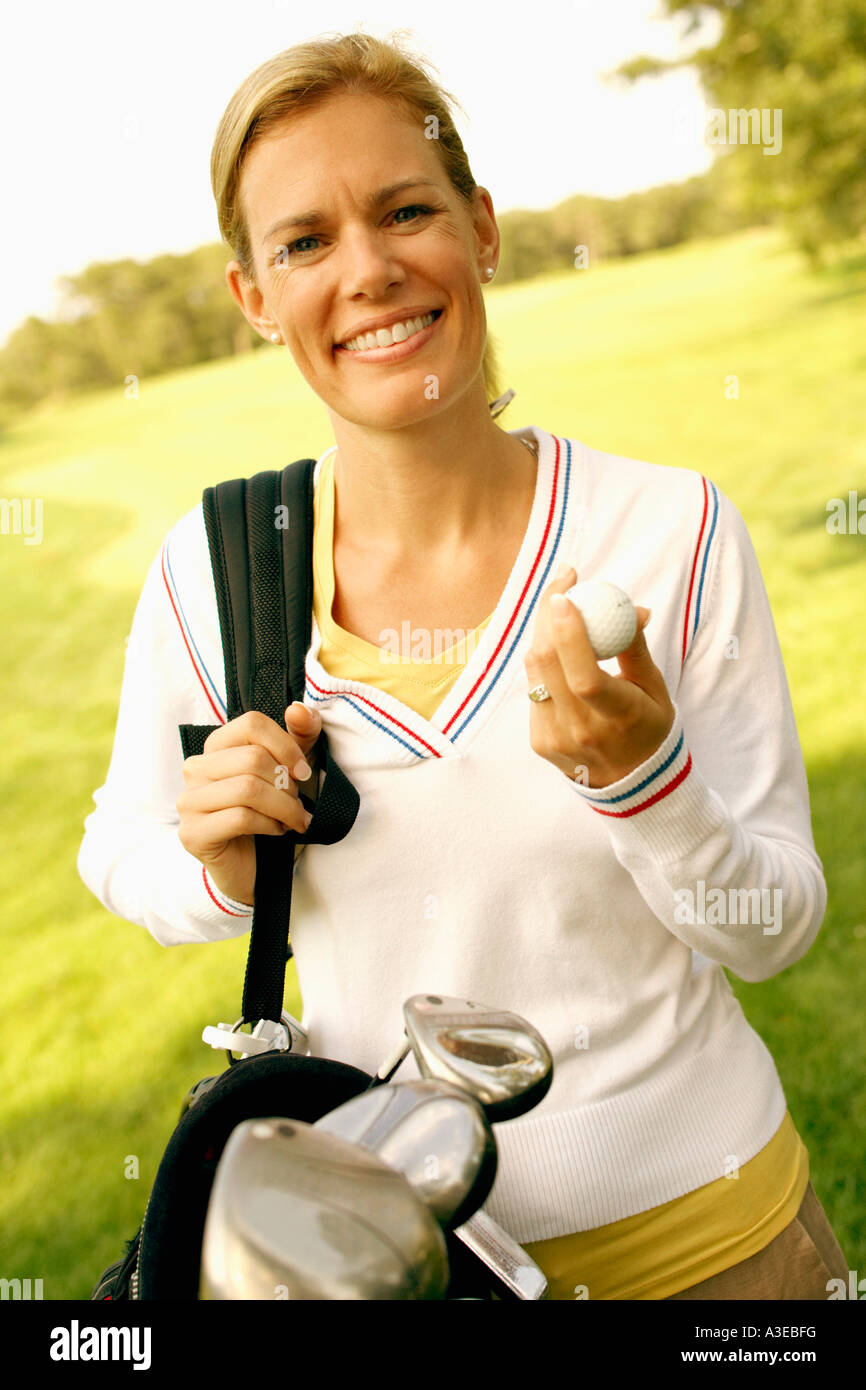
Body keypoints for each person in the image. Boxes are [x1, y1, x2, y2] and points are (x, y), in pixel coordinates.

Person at [77, 30, 850, 1301]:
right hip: (395, 1269)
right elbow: (118, 844)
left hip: (720, 1256)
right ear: (253, 297)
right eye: (304, 242)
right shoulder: (216, 566)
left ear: (480, 228)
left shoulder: (668, 529)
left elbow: (774, 929)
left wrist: (645, 782)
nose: (369, 271)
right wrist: (213, 872)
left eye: (405, 211)